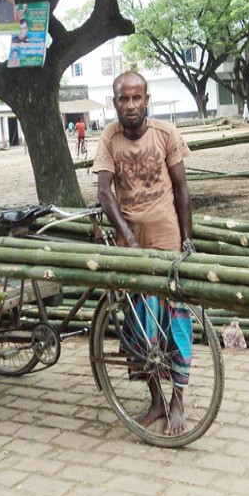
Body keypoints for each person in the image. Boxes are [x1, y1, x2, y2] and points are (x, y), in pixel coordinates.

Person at [93, 71, 194, 437]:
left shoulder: (166, 134)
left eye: (137, 98)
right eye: (124, 99)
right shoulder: (110, 137)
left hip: (167, 242)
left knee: (176, 322)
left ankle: (178, 399)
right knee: (139, 327)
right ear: (115, 102)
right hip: (131, 247)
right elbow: (105, 192)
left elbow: (183, 190)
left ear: (147, 100)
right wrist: (128, 239)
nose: (131, 105)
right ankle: (155, 400)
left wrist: (187, 242)